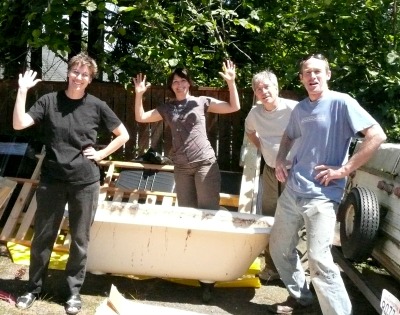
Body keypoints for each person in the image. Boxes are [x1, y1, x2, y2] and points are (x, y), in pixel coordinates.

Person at [269, 53, 387, 315]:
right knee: (278, 249)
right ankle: (303, 298)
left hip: (322, 195)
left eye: (317, 72)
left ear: (328, 75)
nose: (312, 77)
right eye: (307, 73)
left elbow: (376, 135)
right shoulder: (301, 109)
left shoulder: (341, 103)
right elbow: (288, 136)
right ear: (301, 79)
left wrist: (344, 169)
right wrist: (280, 160)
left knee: (319, 259)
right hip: (292, 190)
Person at [13, 52, 130, 314]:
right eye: (76, 72)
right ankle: (33, 288)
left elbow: (123, 134)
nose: (79, 77)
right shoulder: (49, 101)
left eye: (85, 74)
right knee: (43, 237)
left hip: (84, 183)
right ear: (69, 73)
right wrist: (22, 91)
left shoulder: (96, 106)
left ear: (90, 79)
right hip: (52, 181)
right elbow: (19, 123)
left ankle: (73, 292)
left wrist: (100, 154)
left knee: (80, 239)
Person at [133, 61, 240, 210]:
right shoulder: (167, 108)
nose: (179, 84)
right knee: (186, 212)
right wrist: (139, 95)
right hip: (181, 167)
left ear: (189, 83)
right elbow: (141, 117)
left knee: (208, 211)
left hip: (204, 163)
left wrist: (231, 82)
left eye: (183, 80)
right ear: (171, 86)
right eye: (175, 81)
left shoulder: (201, 102)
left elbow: (233, 107)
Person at [244, 70, 298, 282]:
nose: (263, 91)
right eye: (259, 89)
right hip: (269, 171)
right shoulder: (255, 114)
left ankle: (291, 271)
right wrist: (264, 148)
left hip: (293, 172)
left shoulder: (293, 109)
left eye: (267, 87)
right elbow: (250, 132)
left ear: (276, 87)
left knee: (290, 220)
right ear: (255, 93)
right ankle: (272, 266)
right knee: (268, 217)